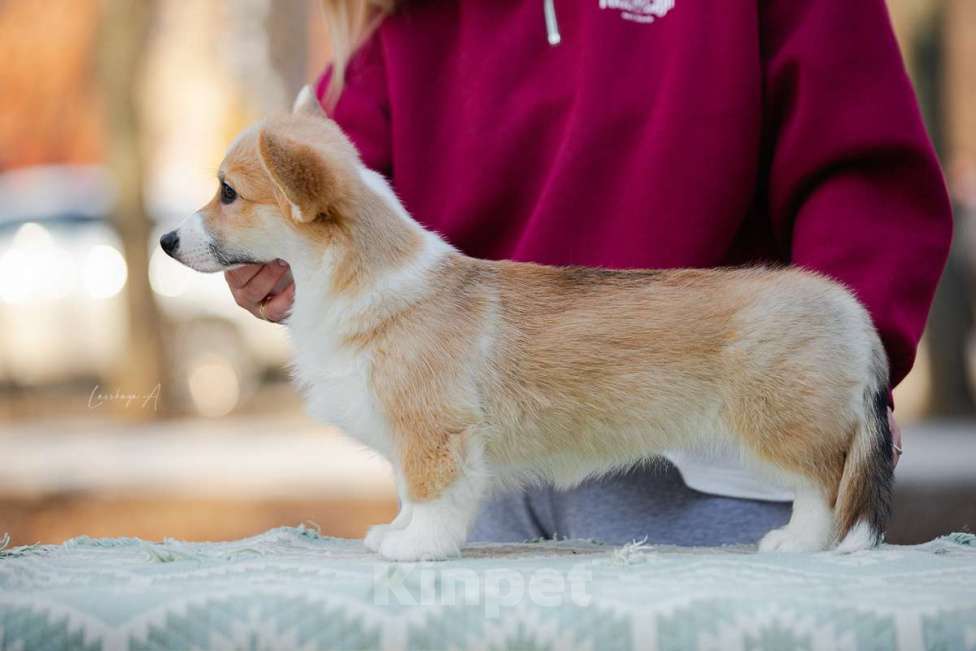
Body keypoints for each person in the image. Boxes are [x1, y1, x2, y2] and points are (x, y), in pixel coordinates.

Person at [225, 0, 951, 545]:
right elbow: (340, 198)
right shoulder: (394, 17)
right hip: (488, 472)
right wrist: (277, 258)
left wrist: (837, 380)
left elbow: (860, 180)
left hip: (714, 460)